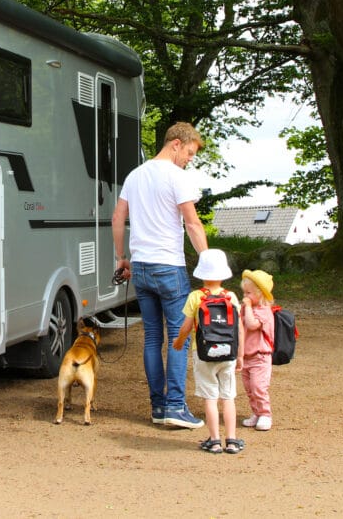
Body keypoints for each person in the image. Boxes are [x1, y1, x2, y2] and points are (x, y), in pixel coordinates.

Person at [111, 121, 208, 429]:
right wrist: (207, 263)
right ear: (176, 143)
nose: (189, 159)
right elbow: (192, 224)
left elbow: (117, 217)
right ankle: (176, 407)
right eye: (190, 153)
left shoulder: (134, 175)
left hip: (140, 267)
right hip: (169, 267)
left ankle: (158, 407)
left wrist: (121, 258)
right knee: (180, 337)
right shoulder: (176, 177)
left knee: (153, 337)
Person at [171, 249, 245, 454]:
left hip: (203, 353)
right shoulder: (231, 297)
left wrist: (179, 341)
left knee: (210, 398)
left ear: (201, 273)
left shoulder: (195, 297)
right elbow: (239, 328)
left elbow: (186, 326)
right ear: (223, 274)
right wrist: (240, 354)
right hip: (228, 352)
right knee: (228, 397)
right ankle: (232, 440)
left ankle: (214, 441)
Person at [239, 269, 275, 431]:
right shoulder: (248, 309)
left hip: (260, 356)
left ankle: (265, 414)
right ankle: (256, 412)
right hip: (246, 356)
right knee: (249, 387)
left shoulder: (264, 311)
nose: (245, 296)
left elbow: (252, 325)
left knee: (258, 386)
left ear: (260, 294)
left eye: (249, 293)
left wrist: (246, 307)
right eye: (244, 292)